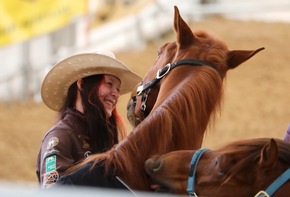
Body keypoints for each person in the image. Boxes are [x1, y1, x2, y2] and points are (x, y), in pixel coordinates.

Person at [36, 50, 142, 189]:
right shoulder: (60, 137)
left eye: (118, 88)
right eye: (109, 84)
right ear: (81, 85)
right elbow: (54, 191)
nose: (116, 94)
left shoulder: (107, 137)